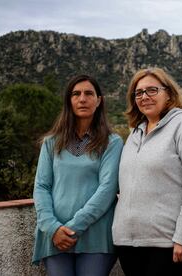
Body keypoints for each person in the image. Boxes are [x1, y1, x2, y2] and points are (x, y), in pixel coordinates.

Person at [112, 67, 182, 276]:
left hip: (169, 244)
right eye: (138, 93)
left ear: (169, 94)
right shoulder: (135, 133)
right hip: (128, 242)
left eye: (152, 90)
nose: (144, 97)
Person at [32, 75, 124, 276]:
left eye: (89, 93)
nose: (82, 99)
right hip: (54, 234)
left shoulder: (112, 142)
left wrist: (73, 228)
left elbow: (107, 189)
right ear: (69, 100)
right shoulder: (51, 142)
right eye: (76, 94)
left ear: (99, 100)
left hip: (96, 235)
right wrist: (53, 227)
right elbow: (41, 187)